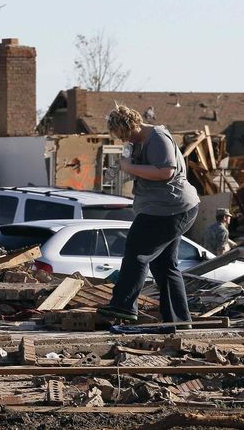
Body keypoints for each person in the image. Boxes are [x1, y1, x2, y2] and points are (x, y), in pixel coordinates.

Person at [97, 104, 200, 323]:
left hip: (169, 209)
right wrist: (122, 166)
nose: (127, 141)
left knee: (137, 252)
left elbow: (165, 171)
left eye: (126, 136)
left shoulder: (158, 137)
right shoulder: (140, 141)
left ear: (132, 125)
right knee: (164, 266)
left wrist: (129, 168)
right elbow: (141, 167)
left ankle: (123, 306)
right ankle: (179, 320)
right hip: (167, 208)